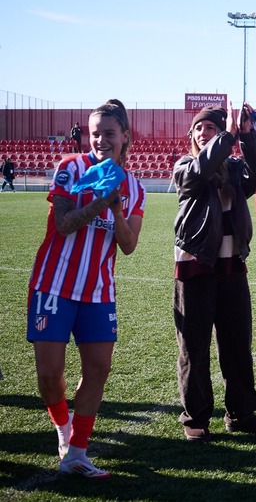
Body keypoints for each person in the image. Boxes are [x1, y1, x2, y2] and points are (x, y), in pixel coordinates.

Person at [28, 99, 146, 478]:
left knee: (98, 369)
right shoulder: (70, 168)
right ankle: (63, 429)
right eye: (95, 134)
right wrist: (100, 202)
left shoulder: (135, 188)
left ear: (124, 137)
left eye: (108, 133)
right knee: (50, 376)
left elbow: (128, 245)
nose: (100, 140)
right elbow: (63, 224)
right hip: (53, 285)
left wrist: (115, 208)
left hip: (98, 291)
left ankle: (77, 451)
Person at [172, 103, 256, 443]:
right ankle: (196, 418)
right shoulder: (186, 166)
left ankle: (242, 413)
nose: (204, 133)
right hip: (195, 269)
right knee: (194, 347)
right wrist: (227, 136)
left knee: (237, 345)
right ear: (192, 136)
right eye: (199, 129)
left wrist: (246, 135)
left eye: (211, 128)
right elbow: (197, 174)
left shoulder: (232, 169)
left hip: (232, 268)